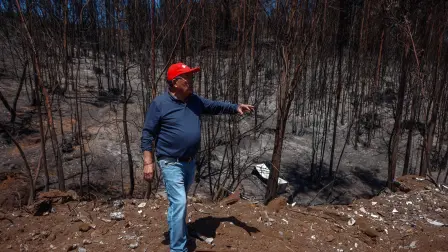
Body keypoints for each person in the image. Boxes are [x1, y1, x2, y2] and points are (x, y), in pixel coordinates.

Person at [141, 62, 254, 252]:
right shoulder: (160, 104)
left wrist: (235, 107)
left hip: (189, 163)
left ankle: (178, 229)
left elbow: (215, 105)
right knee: (180, 202)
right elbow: (147, 134)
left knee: (179, 202)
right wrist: (148, 162)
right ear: (176, 82)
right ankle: (178, 249)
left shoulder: (194, 101)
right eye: (188, 78)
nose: (192, 81)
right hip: (170, 162)